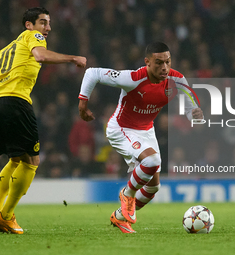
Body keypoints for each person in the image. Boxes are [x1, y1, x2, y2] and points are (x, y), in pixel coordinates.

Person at [0, 7, 86, 234]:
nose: (47, 28)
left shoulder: (5, 50)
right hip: (16, 103)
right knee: (31, 162)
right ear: (29, 25)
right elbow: (41, 56)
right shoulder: (32, 37)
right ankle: (6, 216)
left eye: (48, 23)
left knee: (16, 159)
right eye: (43, 22)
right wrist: (72, 58)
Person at [78, 42, 203, 233]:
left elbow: (190, 106)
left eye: (168, 62)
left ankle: (120, 216)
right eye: (159, 62)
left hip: (146, 130)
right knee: (151, 161)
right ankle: (127, 194)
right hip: (121, 128)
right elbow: (92, 73)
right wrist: (83, 104)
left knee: (153, 188)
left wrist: (194, 113)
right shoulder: (133, 78)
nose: (164, 67)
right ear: (147, 62)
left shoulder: (177, 79)